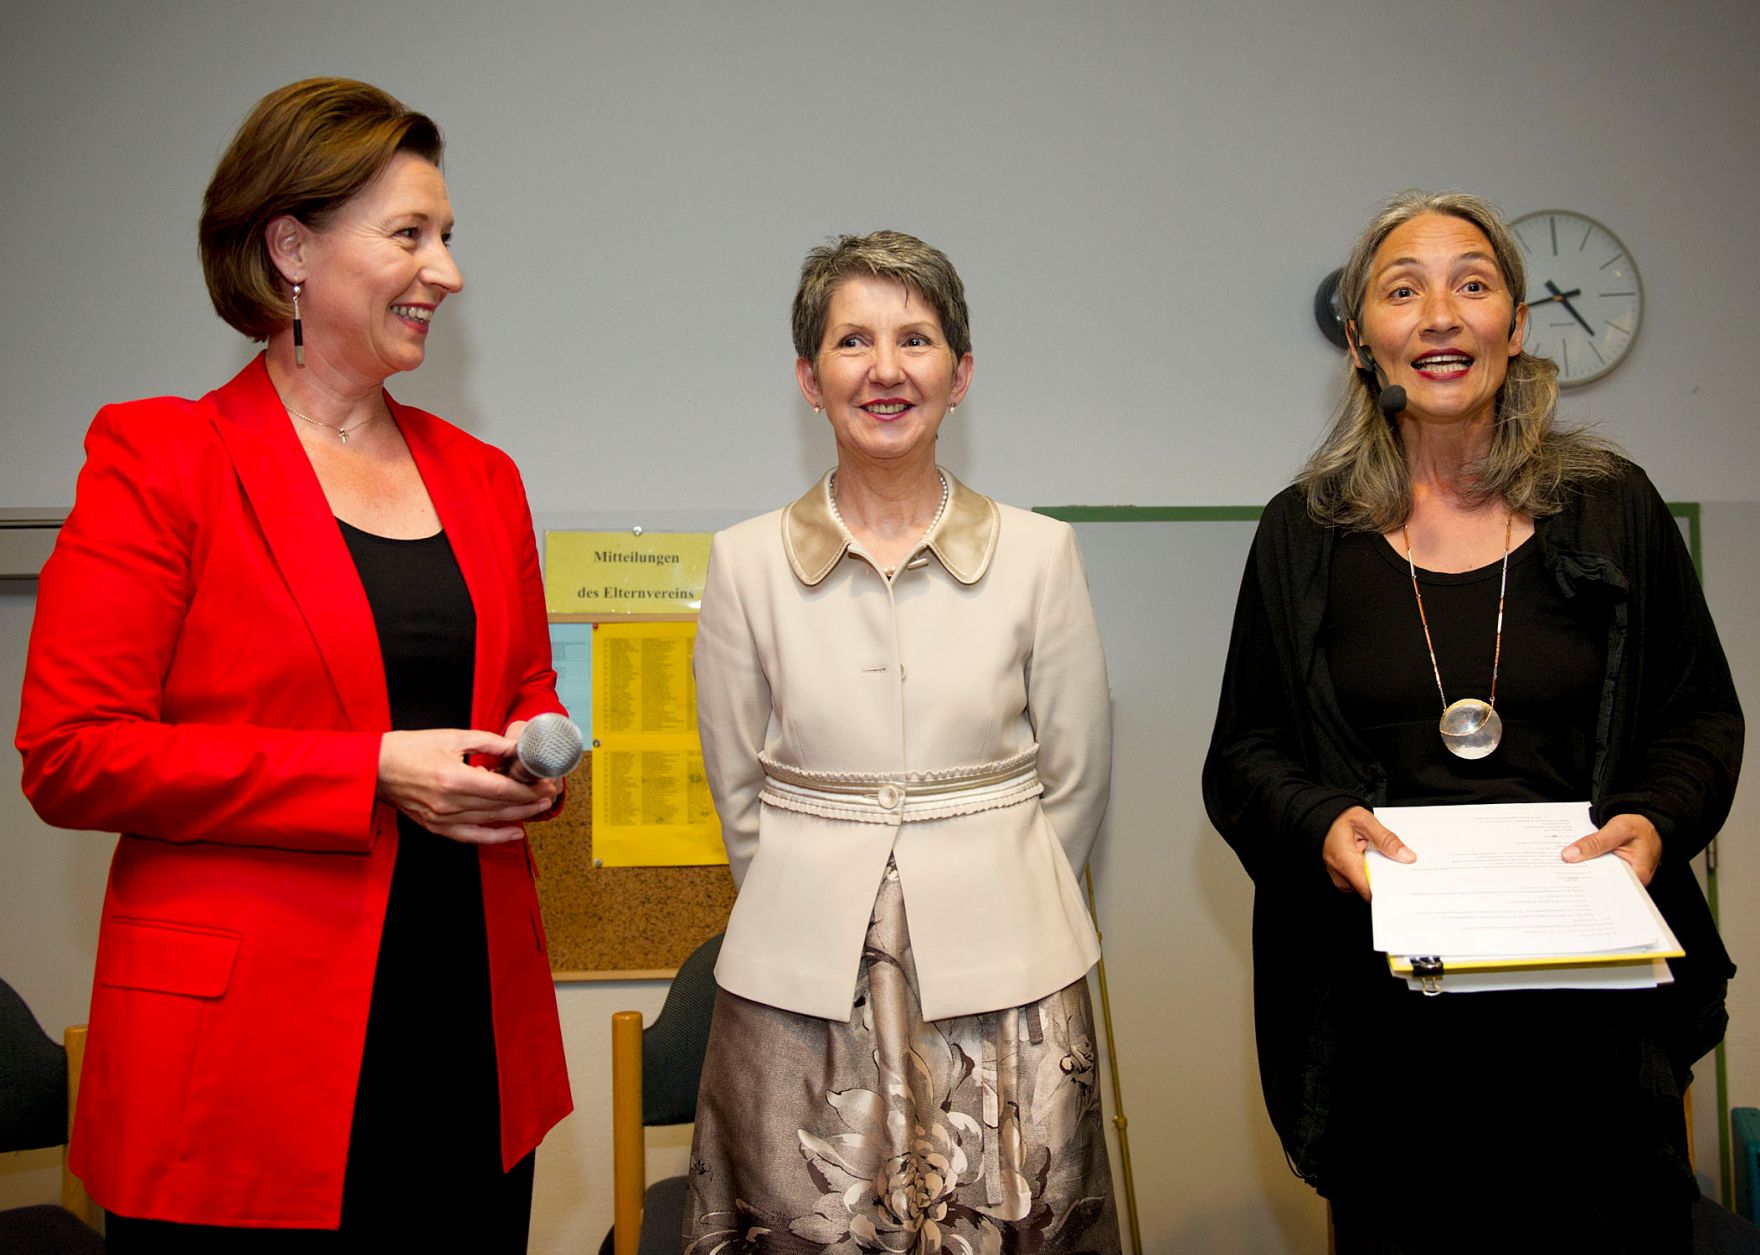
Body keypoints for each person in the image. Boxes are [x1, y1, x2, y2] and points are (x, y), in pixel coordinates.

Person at [15, 78, 571, 1249]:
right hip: (241, 1067)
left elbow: (521, 687)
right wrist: (366, 770)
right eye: (409, 235)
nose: (448, 272)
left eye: (449, 237)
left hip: (463, 1034)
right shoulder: (160, 457)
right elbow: (73, 757)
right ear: (291, 248)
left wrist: (535, 749)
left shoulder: (483, 475)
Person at [1203, 190, 1743, 1253]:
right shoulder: (1298, 536)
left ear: (1517, 323)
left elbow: (1698, 717)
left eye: (1472, 283)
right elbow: (1242, 755)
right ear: (1361, 340)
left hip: (1590, 1018)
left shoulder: (1614, 506)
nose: (1440, 314)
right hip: (1387, 1030)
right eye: (1402, 290)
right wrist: (1319, 824)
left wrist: (1653, 817)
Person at [682, 231, 1121, 1253]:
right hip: (797, 978)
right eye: (851, 342)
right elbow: (736, 789)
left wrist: (1000, 890)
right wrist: (806, 887)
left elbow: (1075, 776)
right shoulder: (743, 563)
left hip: (1009, 972)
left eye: (914, 340)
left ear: (958, 374)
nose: (884, 370)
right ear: (808, 376)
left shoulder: (1040, 553)